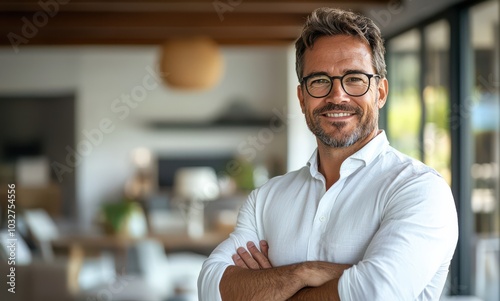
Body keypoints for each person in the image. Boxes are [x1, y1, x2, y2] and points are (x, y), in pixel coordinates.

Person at [198, 7, 458, 301]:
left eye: (355, 78)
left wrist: (268, 286)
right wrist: (304, 272)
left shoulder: (420, 189)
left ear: (381, 93)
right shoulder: (266, 198)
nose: (337, 95)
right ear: (302, 97)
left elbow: (376, 293)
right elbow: (211, 288)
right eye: (320, 80)